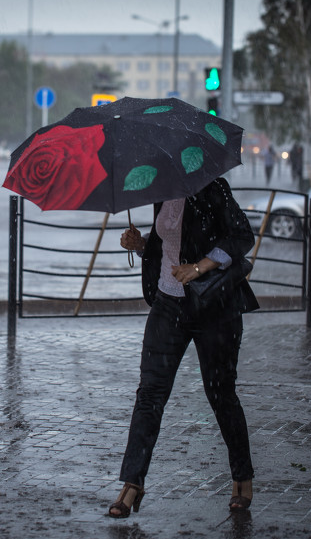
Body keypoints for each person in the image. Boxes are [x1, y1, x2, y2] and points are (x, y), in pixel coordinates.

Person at [109, 177, 259, 518]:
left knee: (221, 394)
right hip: (167, 305)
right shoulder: (163, 191)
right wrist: (141, 244)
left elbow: (241, 236)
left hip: (213, 307)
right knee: (150, 394)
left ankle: (242, 476)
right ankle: (133, 483)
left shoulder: (214, 188)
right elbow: (170, 245)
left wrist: (200, 267)